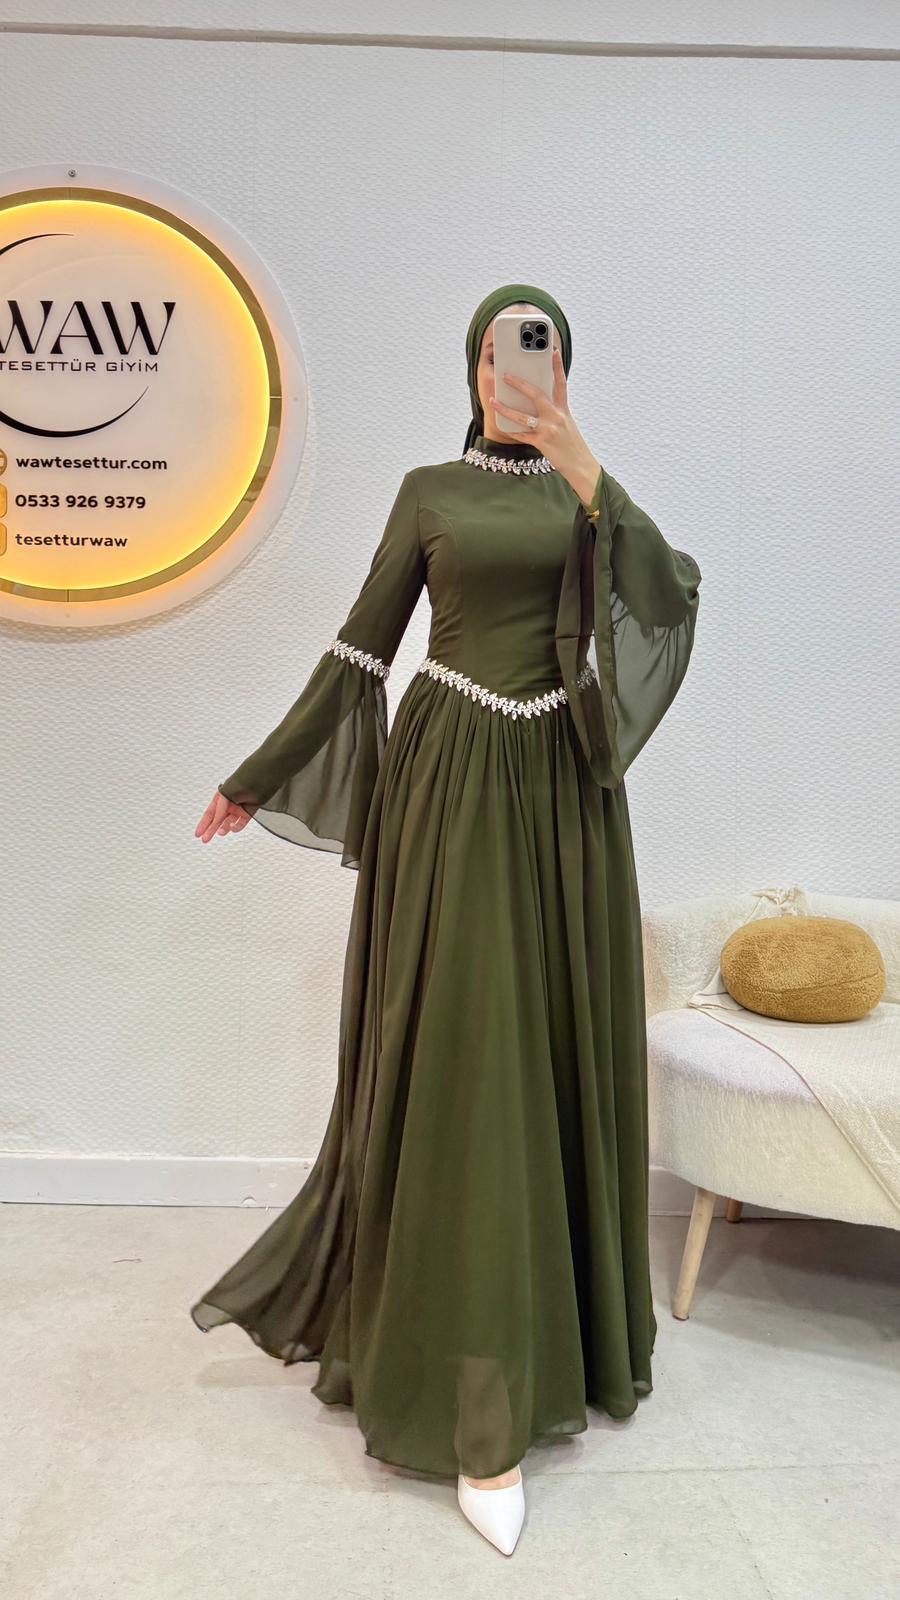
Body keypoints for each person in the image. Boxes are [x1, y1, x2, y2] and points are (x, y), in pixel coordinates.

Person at [190, 282, 702, 1556]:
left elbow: (664, 599)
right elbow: (361, 649)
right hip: (452, 785)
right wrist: (260, 773)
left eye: (535, 355)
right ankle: (472, 1389)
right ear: (470, 369)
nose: (509, 374)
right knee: (473, 1060)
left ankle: (553, 1347)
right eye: (493, 355)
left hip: (566, 796)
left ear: (562, 372)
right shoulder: (427, 492)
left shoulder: (589, 496)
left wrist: (584, 463)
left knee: (550, 1050)